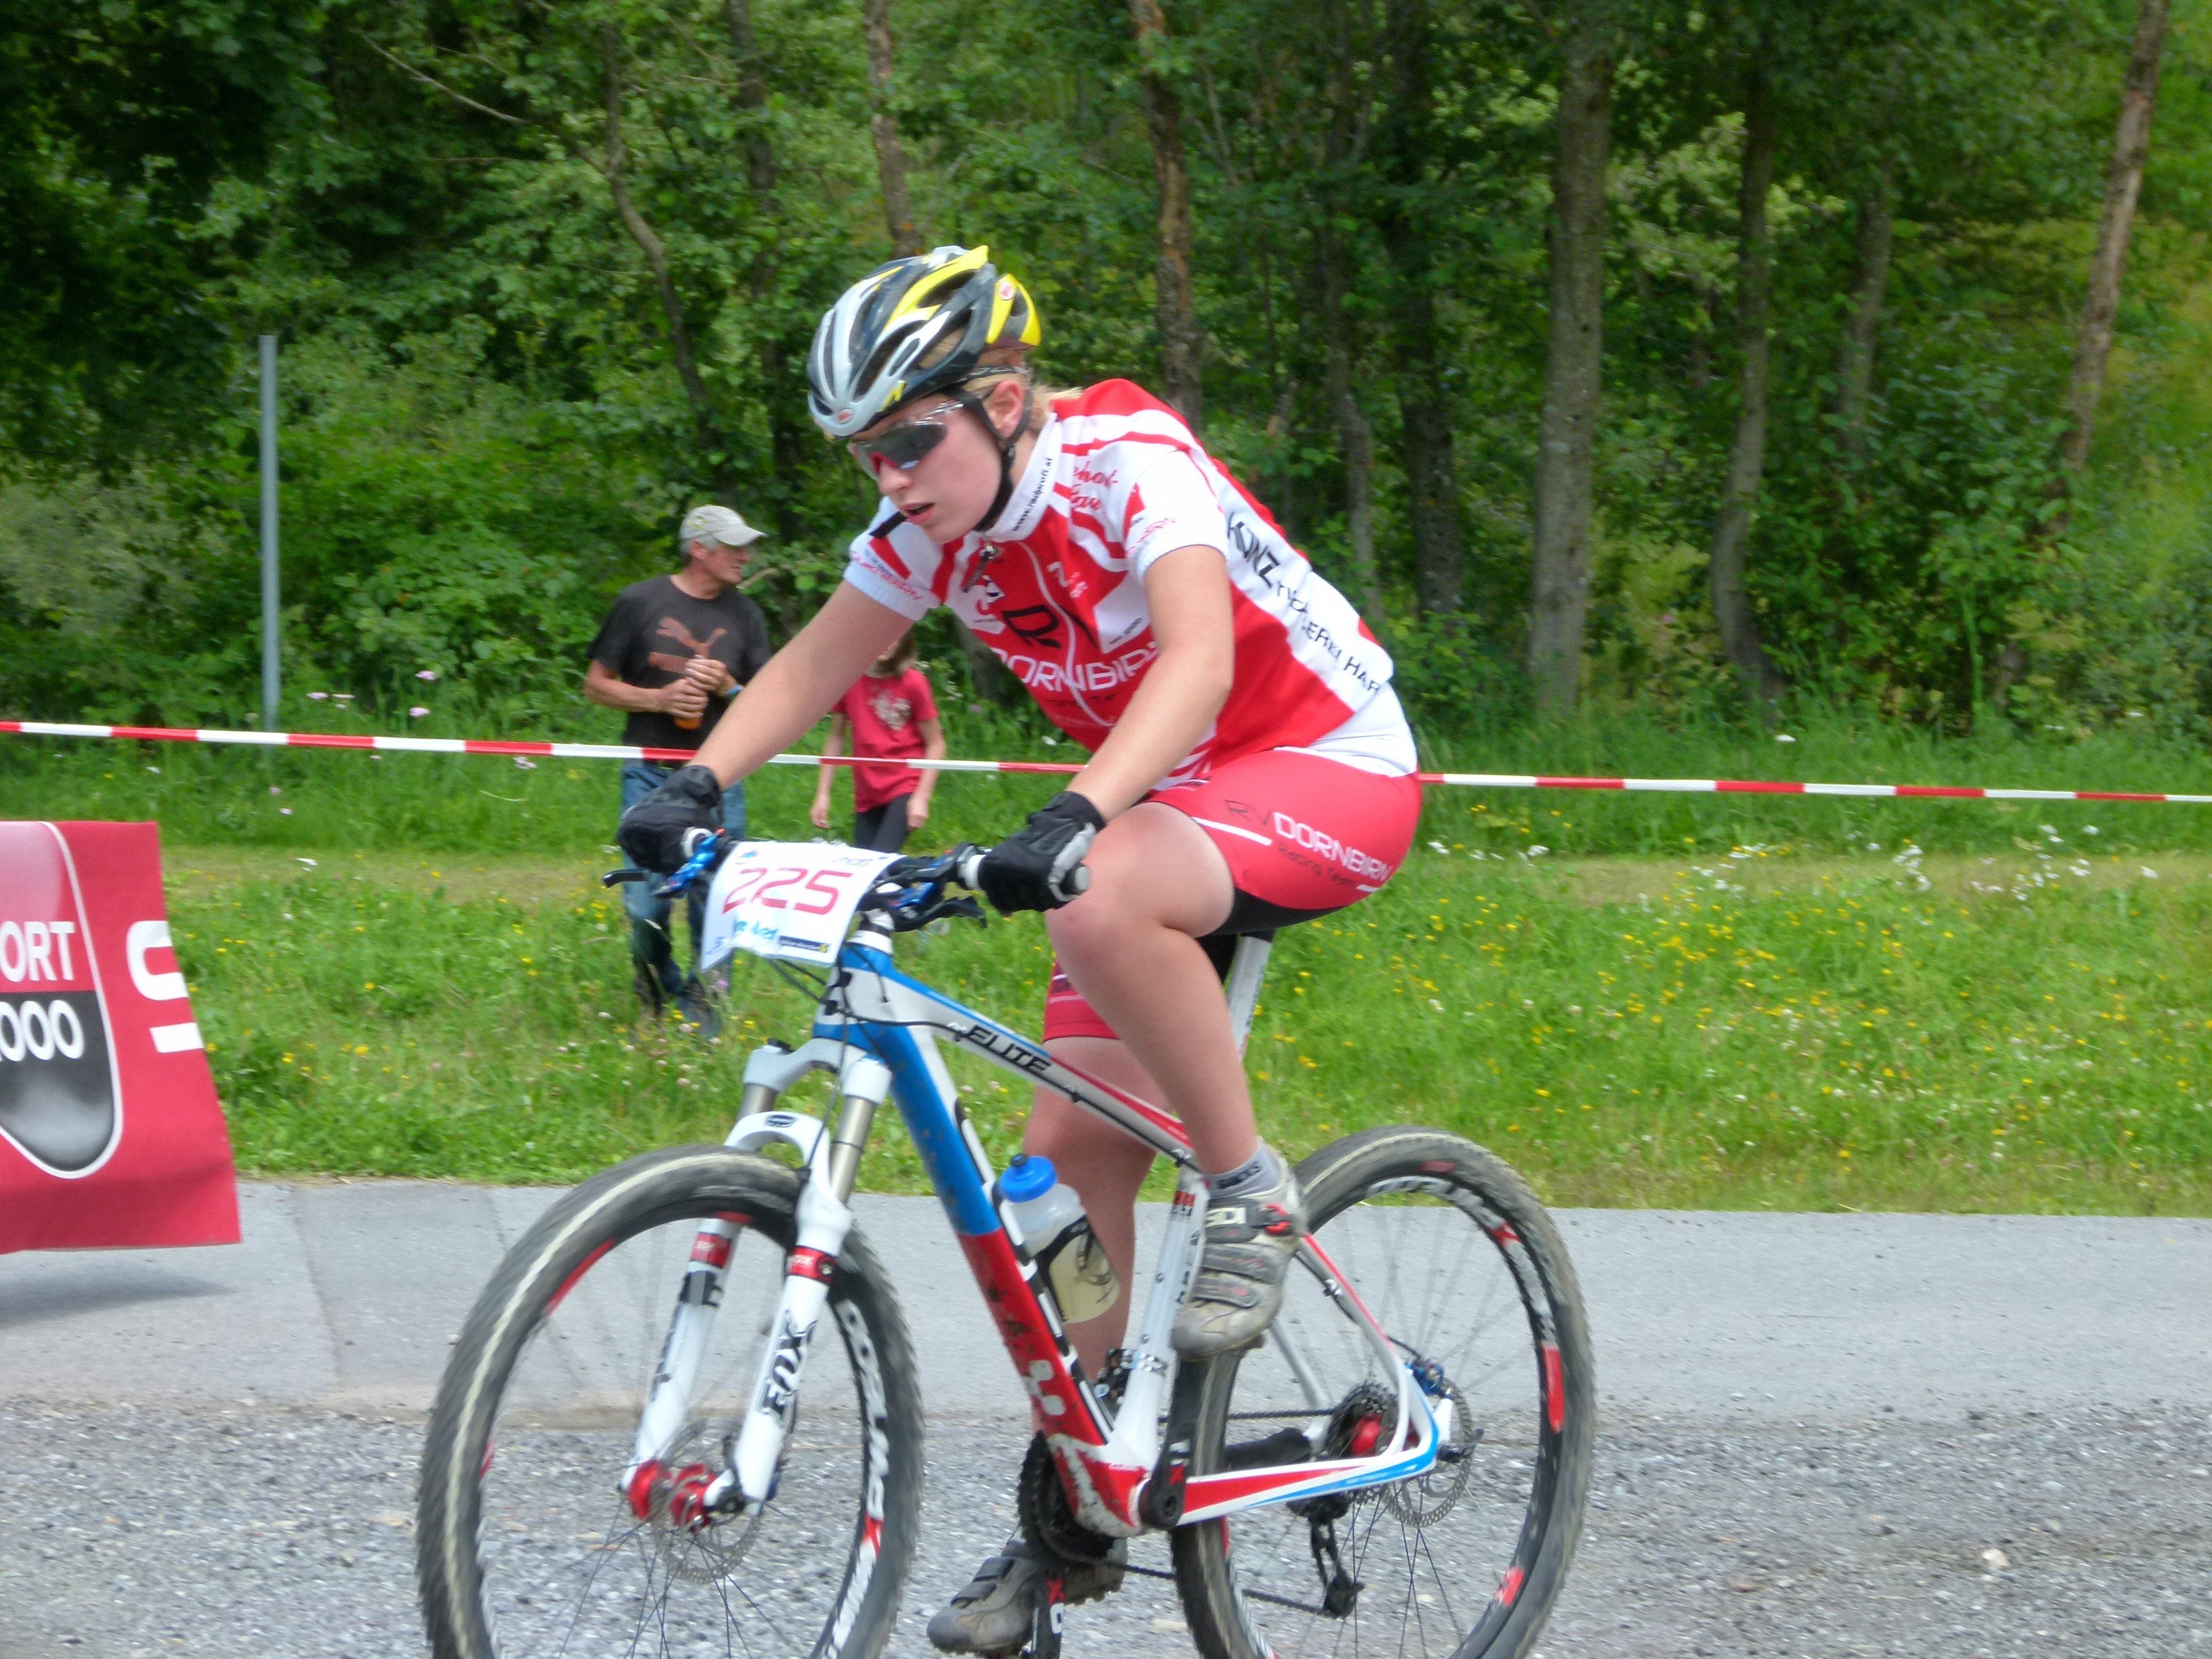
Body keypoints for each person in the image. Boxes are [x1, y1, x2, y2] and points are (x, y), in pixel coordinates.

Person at [618, 244, 1421, 1648]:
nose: (889, 478)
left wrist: (1076, 814)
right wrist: (698, 783)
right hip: (1163, 801)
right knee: (1055, 1183)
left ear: (1000, 400)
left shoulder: (1126, 460)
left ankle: (1250, 1188)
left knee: (1091, 893)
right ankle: (1087, 1497)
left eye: (908, 442)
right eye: (866, 455)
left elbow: (1198, 665)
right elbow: (815, 661)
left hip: (1319, 759)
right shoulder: (932, 526)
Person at [586, 504, 774, 1031]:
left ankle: (705, 1027)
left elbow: (766, 703)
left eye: (746, 547)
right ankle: (659, 990)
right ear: (699, 549)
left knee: (714, 905)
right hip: (649, 777)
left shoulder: (747, 616)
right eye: (734, 547)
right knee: (644, 905)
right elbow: (595, 686)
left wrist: (728, 688)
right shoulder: (639, 602)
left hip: (719, 780)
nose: (745, 556)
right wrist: (660, 700)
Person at [808, 631, 945, 852]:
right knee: (865, 863)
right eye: (881, 633)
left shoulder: (914, 682)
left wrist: (922, 797)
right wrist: (823, 794)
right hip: (867, 792)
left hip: (904, 783)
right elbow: (836, 736)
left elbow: (936, 743)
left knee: (881, 858)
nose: (886, 643)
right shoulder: (848, 680)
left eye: (894, 636)